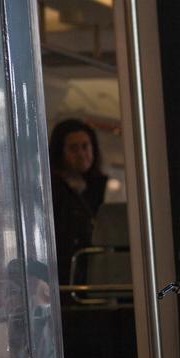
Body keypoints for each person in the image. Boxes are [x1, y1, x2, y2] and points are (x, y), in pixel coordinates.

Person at [49, 118, 110, 285]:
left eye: (85, 146)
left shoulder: (102, 185)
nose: (82, 154)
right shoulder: (52, 189)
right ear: (60, 152)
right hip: (66, 272)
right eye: (73, 148)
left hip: (98, 269)